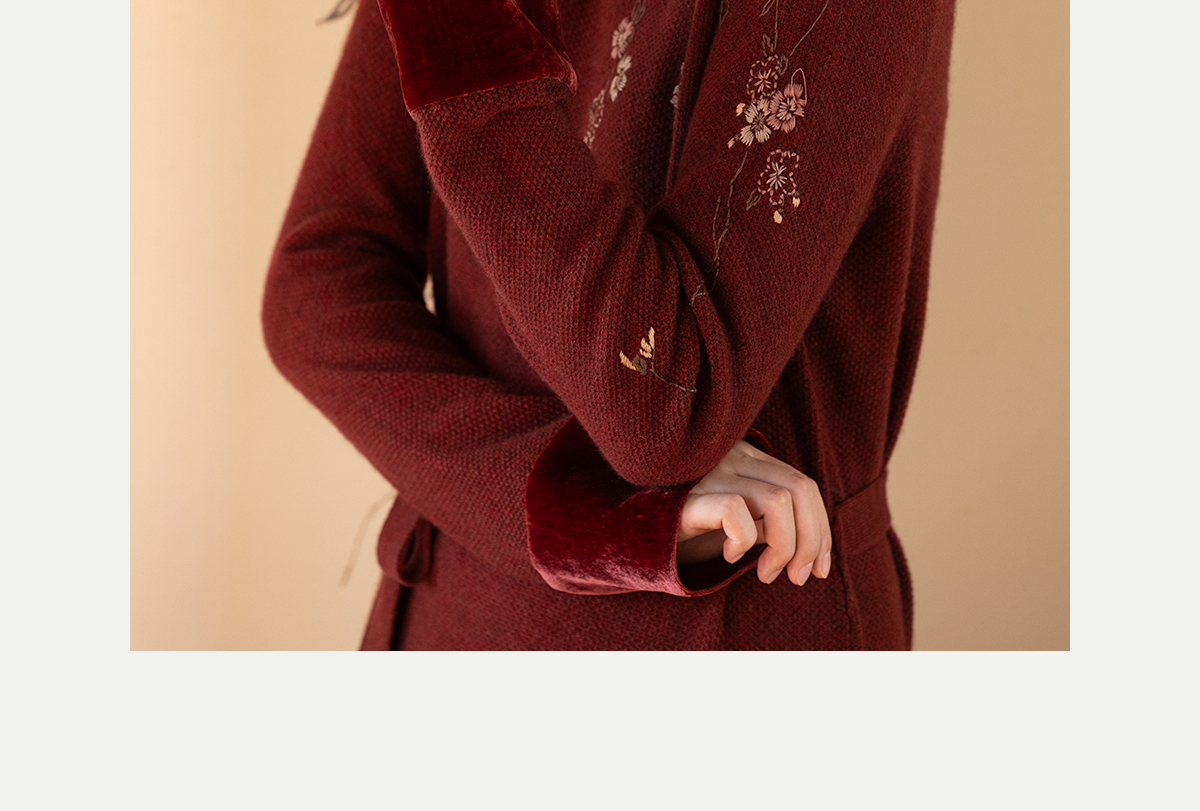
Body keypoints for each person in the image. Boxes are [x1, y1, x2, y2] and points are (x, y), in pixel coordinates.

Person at [262, 0, 955, 649]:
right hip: (448, 607)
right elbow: (320, 279)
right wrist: (575, 509)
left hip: (721, 621)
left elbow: (669, 406)